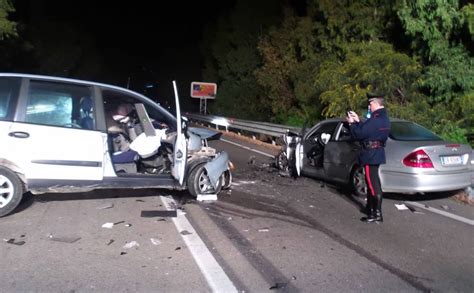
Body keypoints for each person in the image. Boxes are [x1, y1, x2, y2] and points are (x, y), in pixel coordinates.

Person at [346, 92, 391, 223]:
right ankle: (370, 209)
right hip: (375, 153)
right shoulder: (382, 118)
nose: (369, 106)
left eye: (370, 104)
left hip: (371, 154)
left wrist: (351, 124)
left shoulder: (376, 119)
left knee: (372, 184)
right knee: (372, 182)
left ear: (376, 103)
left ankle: (376, 214)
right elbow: (369, 131)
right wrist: (358, 120)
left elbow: (359, 134)